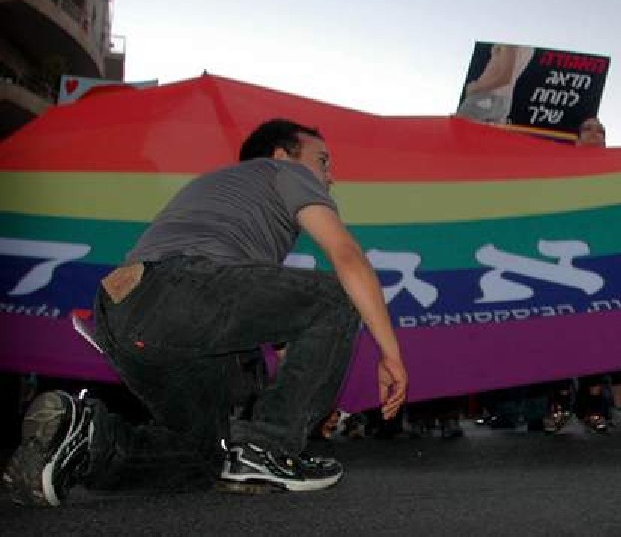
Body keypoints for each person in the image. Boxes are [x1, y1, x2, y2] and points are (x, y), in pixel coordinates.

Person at [3, 119, 408, 506]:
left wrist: (309, 384)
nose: (330, 177)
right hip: (180, 289)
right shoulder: (283, 172)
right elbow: (347, 257)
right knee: (337, 296)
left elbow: (274, 318)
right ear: (284, 155)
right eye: (322, 161)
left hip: (124, 314)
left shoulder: (222, 190)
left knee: (204, 457)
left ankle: (87, 437)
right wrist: (390, 354)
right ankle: (266, 447)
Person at [457, 43, 534, 125]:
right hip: (504, 103)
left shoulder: (509, 41)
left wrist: (475, 87)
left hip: (485, 97)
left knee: (457, 131)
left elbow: (505, 78)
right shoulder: (530, 48)